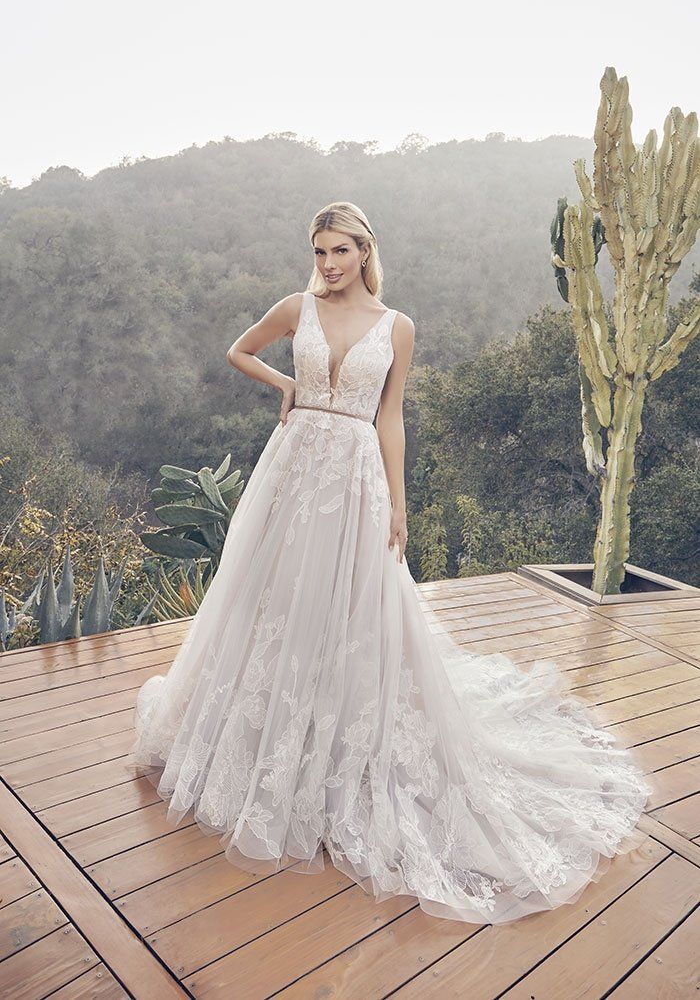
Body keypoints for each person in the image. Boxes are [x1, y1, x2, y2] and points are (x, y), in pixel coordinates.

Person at [132, 200, 653, 924]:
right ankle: (255, 738)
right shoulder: (296, 308)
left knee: (352, 606)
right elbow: (238, 349)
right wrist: (284, 386)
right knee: (274, 598)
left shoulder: (396, 326)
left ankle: (337, 738)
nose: (328, 264)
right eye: (319, 252)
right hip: (292, 468)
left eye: (340, 251)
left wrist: (399, 506)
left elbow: (390, 416)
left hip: (354, 476)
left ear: (365, 251)